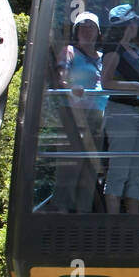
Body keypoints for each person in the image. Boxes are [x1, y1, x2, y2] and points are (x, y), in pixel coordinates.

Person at [100, 4, 139, 214]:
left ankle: (132, 224)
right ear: (128, 25)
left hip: (138, 114)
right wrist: (137, 88)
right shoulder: (113, 50)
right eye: (134, 21)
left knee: (136, 173)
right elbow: (106, 82)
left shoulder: (134, 50)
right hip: (121, 113)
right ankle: (114, 226)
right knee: (119, 171)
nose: (137, 24)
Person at [53, 11, 105, 213]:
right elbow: (61, 76)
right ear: (76, 31)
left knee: (90, 168)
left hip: (97, 117)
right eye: (82, 26)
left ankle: (83, 212)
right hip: (74, 115)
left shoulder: (102, 58)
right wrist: (69, 86)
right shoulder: (69, 52)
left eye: (91, 26)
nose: (86, 29)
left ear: (98, 32)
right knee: (69, 166)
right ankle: (62, 212)